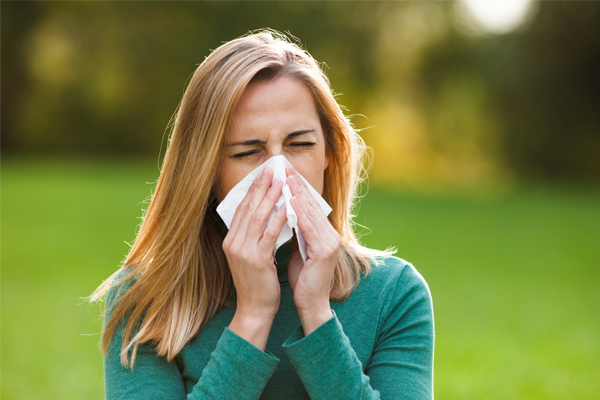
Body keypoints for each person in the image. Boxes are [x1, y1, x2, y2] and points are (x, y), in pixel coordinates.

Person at [90, 29, 434, 399]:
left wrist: (318, 316)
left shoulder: (394, 293)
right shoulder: (147, 299)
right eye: (246, 152)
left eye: (299, 144)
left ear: (329, 153)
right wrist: (251, 318)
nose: (278, 171)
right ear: (205, 170)